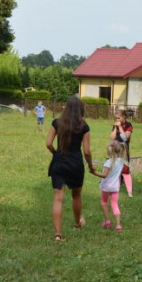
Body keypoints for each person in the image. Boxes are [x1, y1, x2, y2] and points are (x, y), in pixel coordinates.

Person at [46, 96, 95, 242]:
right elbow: (86, 151)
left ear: (66, 107)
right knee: (76, 195)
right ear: (81, 109)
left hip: (59, 163)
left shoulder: (56, 122)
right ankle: (77, 222)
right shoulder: (84, 126)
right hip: (75, 164)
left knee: (58, 198)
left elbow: (48, 143)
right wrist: (91, 166)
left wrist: (56, 153)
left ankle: (58, 234)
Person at [91, 140, 125, 232]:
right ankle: (118, 225)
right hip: (115, 187)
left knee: (104, 202)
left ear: (110, 151)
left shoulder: (108, 162)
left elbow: (104, 175)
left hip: (106, 187)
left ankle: (107, 221)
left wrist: (94, 172)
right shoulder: (121, 161)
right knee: (114, 204)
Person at [110, 109, 134, 197]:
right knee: (116, 170)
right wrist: (115, 128)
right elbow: (112, 137)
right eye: (116, 118)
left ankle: (129, 192)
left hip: (124, 150)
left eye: (119, 118)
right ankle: (117, 189)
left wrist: (120, 127)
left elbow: (125, 138)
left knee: (125, 170)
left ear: (123, 117)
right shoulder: (115, 125)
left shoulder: (129, 125)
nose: (117, 120)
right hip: (115, 149)